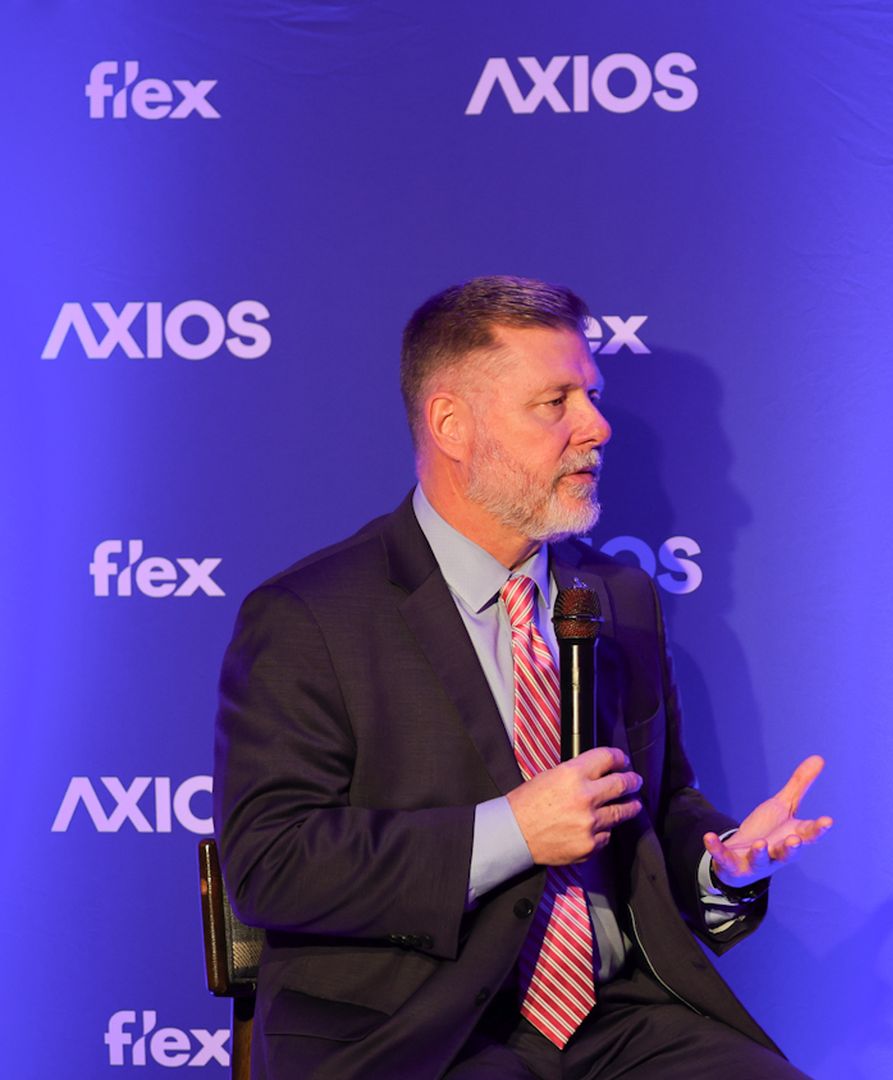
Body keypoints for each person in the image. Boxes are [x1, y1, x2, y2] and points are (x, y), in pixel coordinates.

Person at [214, 276, 829, 1079]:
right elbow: (272, 864)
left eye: (593, 395)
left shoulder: (618, 597)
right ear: (451, 424)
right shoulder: (310, 616)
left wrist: (722, 863)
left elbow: (658, 807)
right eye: (556, 402)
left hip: (620, 1020)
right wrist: (511, 831)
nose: (598, 426)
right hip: (418, 1033)